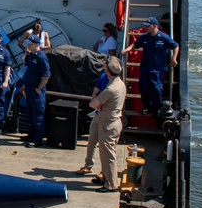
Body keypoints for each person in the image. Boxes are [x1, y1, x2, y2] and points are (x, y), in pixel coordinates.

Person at [121, 17, 179, 117]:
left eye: (148, 26)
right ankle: (147, 107)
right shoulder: (144, 37)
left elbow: (175, 46)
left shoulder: (163, 37)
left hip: (158, 69)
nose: (146, 28)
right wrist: (127, 50)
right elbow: (135, 45)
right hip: (145, 68)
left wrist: (174, 58)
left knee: (156, 89)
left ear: (155, 26)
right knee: (143, 88)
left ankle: (157, 109)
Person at [87, 57, 127, 192]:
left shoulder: (110, 89)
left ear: (109, 71)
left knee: (108, 155)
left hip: (108, 124)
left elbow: (93, 104)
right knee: (105, 153)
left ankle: (111, 184)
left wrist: (97, 106)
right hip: (112, 122)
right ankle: (105, 177)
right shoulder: (120, 84)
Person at [76, 66, 113, 179]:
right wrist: (97, 103)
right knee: (92, 140)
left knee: (104, 146)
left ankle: (104, 171)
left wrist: (100, 104)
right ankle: (88, 165)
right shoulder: (102, 77)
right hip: (98, 114)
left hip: (107, 117)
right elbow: (95, 92)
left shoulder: (115, 82)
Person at [19, 34, 50, 147]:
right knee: (30, 114)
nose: (28, 45)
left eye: (31, 43)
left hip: (37, 91)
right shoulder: (31, 56)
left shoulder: (41, 57)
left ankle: (38, 138)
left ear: (37, 45)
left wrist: (39, 88)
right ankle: (31, 134)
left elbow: (46, 75)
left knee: (38, 115)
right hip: (29, 88)